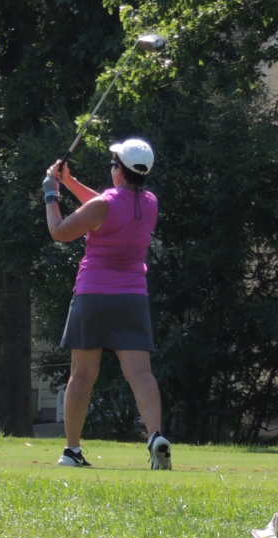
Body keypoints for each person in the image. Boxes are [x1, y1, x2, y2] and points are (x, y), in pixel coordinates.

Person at [42, 137, 171, 469]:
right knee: (140, 374)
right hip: (132, 298)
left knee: (82, 376)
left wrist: (51, 191)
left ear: (119, 169)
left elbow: (59, 231)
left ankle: (72, 451)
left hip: (93, 295)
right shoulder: (151, 203)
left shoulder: (104, 205)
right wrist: (69, 180)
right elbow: (102, 206)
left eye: (113, 164)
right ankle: (155, 436)